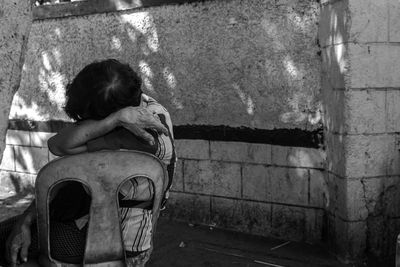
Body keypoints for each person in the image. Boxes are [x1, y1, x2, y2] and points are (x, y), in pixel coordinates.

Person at [0, 59, 176, 266]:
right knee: (12, 231)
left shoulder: (137, 138)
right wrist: (27, 219)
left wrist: (111, 122)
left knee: (8, 241)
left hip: (117, 243)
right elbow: (61, 159)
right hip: (90, 219)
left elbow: (60, 146)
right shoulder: (138, 106)